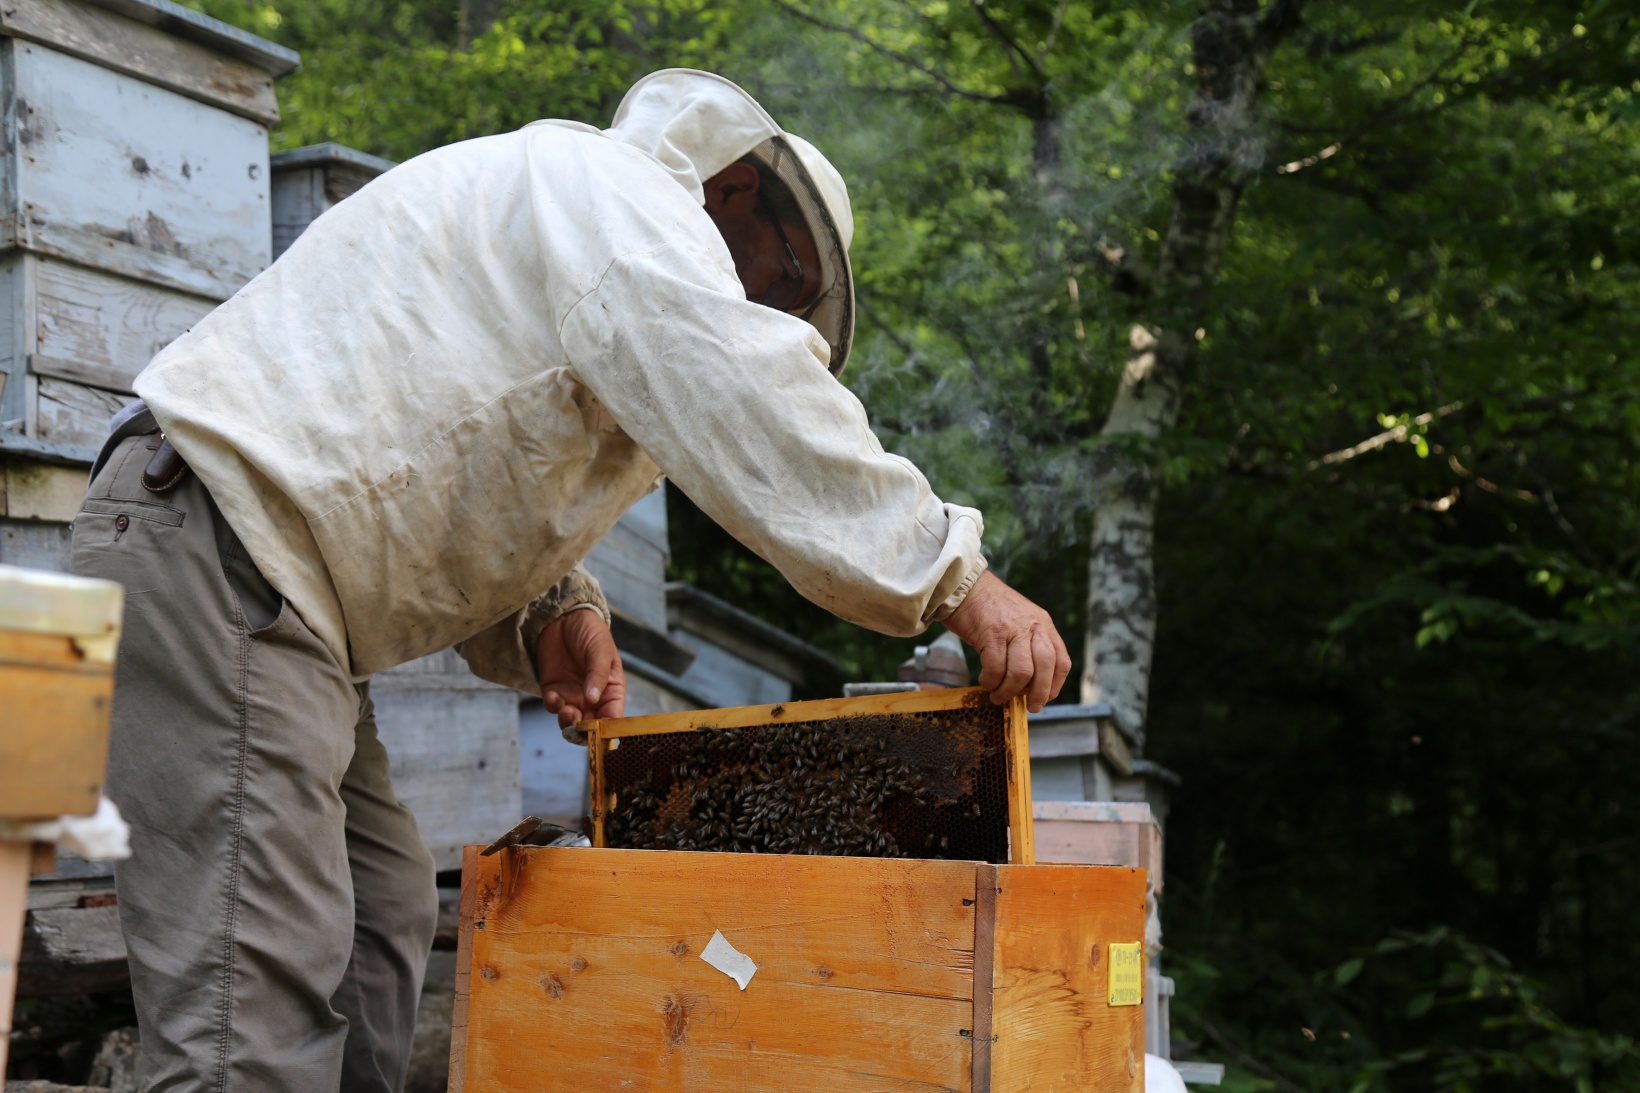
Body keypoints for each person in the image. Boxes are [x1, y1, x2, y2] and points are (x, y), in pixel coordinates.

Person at [72, 68, 1071, 1092]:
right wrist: (958, 580)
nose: (768, 310)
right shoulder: (616, 199)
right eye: (783, 276)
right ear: (731, 191)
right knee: (248, 1016)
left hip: (276, 587)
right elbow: (745, 398)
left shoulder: (583, 238)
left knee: (382, 913)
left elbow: (453, 443)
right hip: (219, 548)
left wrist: (559, 609)